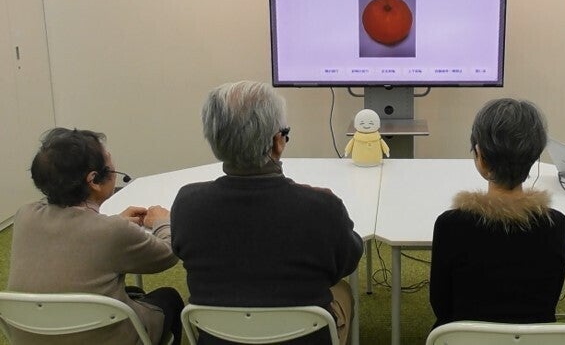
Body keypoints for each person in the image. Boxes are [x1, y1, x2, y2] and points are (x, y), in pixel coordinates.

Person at [171, 81, 363, 345]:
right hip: (304, 337)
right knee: (343, 292)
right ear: (277, 141)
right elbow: (348, 261)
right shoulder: (322, 207)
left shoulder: (187, 204)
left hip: (218, 337)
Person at [7, 128, 184, 345]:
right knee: (169, 298)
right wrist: (162, 222)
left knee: (132, 293)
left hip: (31, 335)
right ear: (94, 180)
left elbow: (73, 236)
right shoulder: (112, 232)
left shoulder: (24, 216)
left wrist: (114, 222)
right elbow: (168, 253)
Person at [429, 98, 565, 328]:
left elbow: (441, 305)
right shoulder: (556, 224)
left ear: (480, 157)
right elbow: (549, 302)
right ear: (534, 157)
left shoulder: (450, 224)